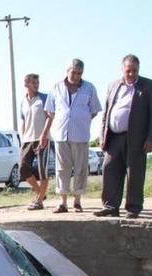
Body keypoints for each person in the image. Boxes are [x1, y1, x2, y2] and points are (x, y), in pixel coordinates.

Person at [96, 54, 152, 219]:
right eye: (128, 71)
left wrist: (151, 138)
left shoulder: (149, 85)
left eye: (135, 71)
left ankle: (133, 207)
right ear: (122, 69)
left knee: (135, 173)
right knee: (109, 169)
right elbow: (106, 111)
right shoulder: (113, 86)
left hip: (137, 137)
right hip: (113, 137)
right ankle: (110, 206)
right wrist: (102, 135)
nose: (131, 74)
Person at [40, 58, 102, 213]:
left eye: (79, 73)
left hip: (80, 134)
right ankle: (63, 202)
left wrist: (80, 118)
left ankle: (78, 201)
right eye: (73, 72)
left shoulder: (89, 88)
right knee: (62, 168)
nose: (76, 76)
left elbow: (94, 110)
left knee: (81, 168)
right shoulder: (56, 87)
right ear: (67, 71)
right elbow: (50, 111)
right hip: (61, 133)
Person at [19, 73, 50, 210]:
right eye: (33, 83)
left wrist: (44, 134)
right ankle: (40, 193)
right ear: (26, 84)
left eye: (37, 82)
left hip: (42, 138)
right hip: (27, 139)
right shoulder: (23, 102)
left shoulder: (44, 98)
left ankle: (39, 201)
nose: (36, 85)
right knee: (23, 168)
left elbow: (50, 116)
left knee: (43, 171)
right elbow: (24, 120)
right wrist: (23, 136)